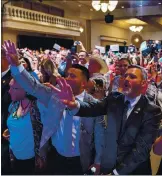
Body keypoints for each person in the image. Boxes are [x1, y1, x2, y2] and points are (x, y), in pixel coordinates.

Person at [3, 41, 105, 175]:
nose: (67, 78)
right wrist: (16, 65)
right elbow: (33, 86)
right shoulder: (54, 94)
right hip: (55, 157)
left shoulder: (93, 104)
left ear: (84, 83)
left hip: (81, 160)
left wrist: (98, 162)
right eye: (67, 74)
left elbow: (99, 135)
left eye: (73, 76)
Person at [56, 64, 162, 175]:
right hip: (108, 168)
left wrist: (116, 173)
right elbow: (93, 108)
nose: (126, 79)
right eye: (125, 76)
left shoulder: (152, 111)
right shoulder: (114, 99)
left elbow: (141, 151)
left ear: (143, 84)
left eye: (132, 77)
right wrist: (75, 105)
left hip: (133, 171)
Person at [4, 79, 45, 174]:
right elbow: (17, 124)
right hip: (13, 155)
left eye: (13, 88)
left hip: (32, 159)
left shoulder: (38, 108)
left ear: (26, 90)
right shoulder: (13, 105)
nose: (9, 91)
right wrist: (9, 131)